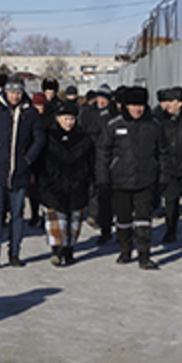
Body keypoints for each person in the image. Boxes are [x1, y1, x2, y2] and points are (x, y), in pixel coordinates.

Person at [0, 75, 45, 268]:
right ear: (5, 91)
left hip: (20, 173)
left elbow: (39, 138)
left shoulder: (30, 113)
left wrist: (27, 159)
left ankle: (14, 253)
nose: (15, 96)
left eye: (19, 92)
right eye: (12, 92)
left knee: (17, 214)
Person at [98, 86, 170, 270]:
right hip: (120, 181)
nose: (137, 109)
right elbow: (103, 154)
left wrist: (163, 177)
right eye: (133, 105)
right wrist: (103, 178)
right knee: (123, 220)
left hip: (145, 180)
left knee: (144, 219)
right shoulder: (114, 124)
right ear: (126, 106)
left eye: (140, 105)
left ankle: (144, 254)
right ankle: (125, 250)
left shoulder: (154, 125)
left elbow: (163, 153)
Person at [37, 99, 95, 266]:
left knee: (74, 222)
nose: (68, 122)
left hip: (78, 185)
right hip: (53, 185)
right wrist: (42, 182)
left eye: (71, 119)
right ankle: (57, 250)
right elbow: (40, 163)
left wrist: (89, 179)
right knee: (56, 221)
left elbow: (91, 162)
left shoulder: (84, 138)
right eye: (65, 119)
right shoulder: (48, 137)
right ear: (57, 119)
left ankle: (69, 250)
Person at [155, 86, 182, 244]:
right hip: (168, 168)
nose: (166, 105)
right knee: (170, 202)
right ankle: (170, 230)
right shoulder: (158, 118)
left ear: (179, 103)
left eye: (170, 101)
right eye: (164, 101)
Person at [79, 84, 118, 245]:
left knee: (110, 195)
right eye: (100, 98)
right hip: (92, 156)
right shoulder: (88, 112)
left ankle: (108, 226)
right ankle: (101, 223)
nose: (101, 101)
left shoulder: (113, 115)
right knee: (96, 190)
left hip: (111, 158)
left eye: (104, 99)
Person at [27, 92, 49, 225]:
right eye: (36, 105)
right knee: (32, 190)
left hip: (45, 159)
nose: (39, 108)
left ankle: (44, 215)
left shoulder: (48, 119)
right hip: (32, 158)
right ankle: (34, 214)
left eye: (41, 105)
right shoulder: (28, 118)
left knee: (45, 191)